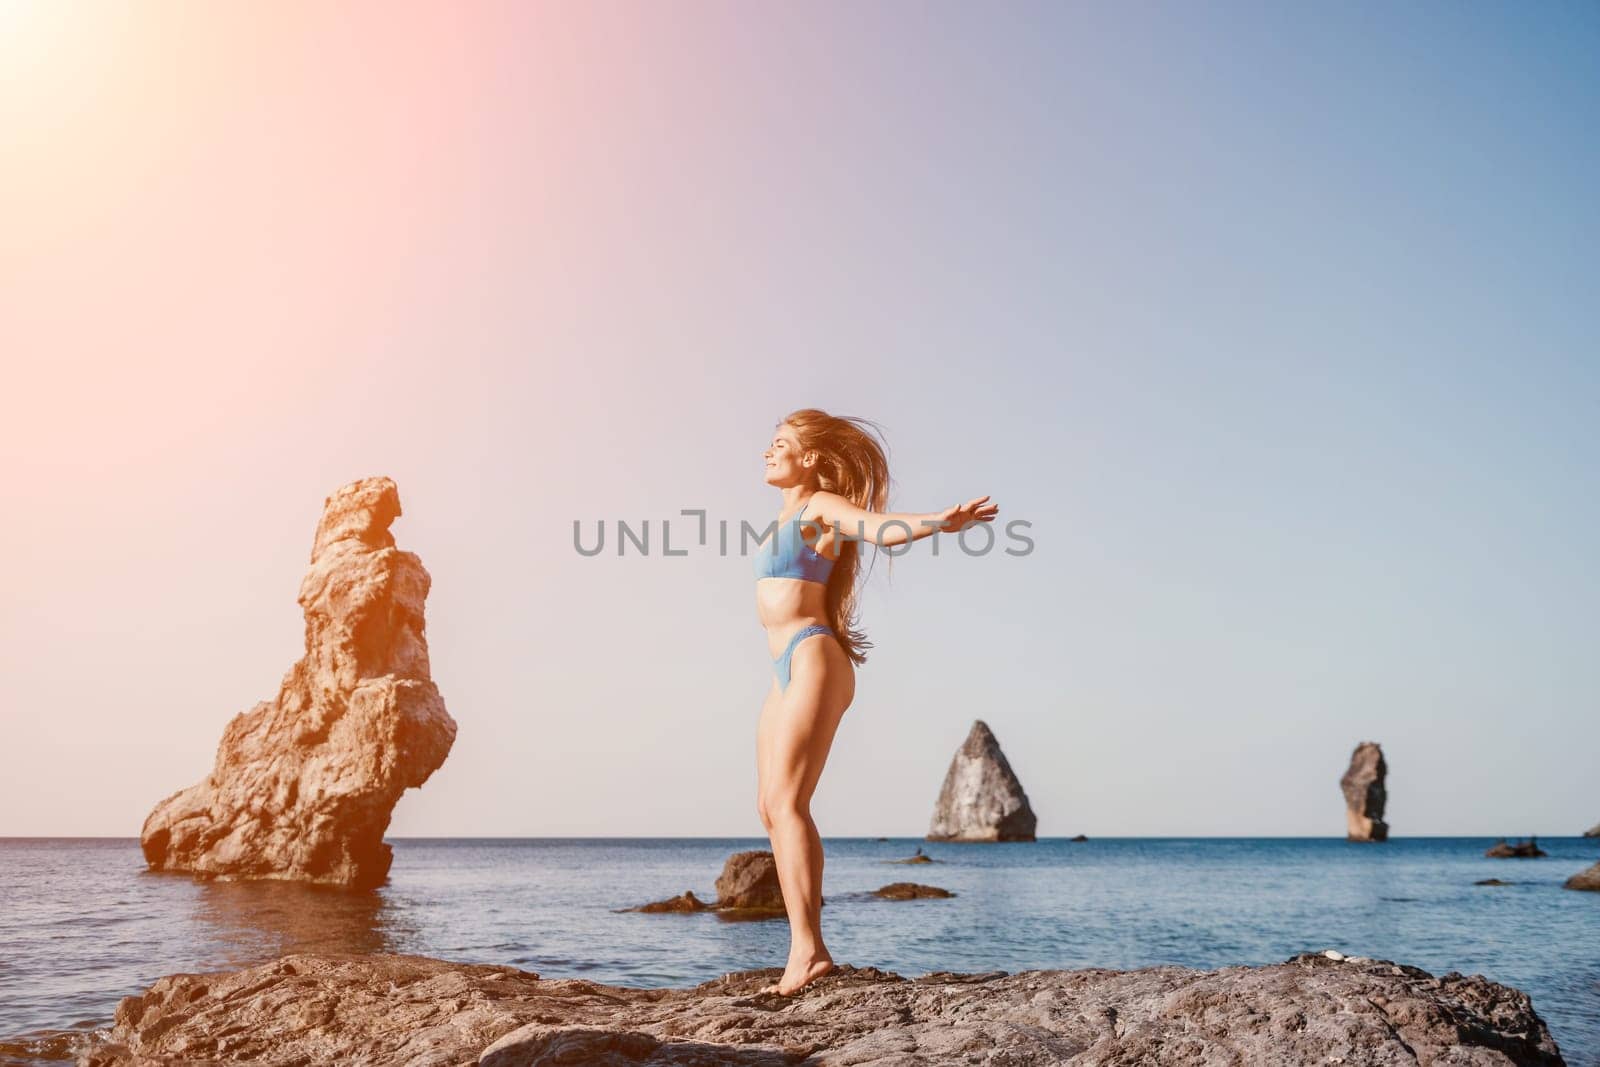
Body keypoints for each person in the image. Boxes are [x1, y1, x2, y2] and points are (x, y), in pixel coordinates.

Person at [752, 408, 998, 995]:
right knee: (770, 806)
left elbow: (878, 526)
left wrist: (939, 521)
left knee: (789, 803)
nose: (767, 451)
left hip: (813, 656)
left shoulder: (819, 507)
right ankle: (803, 948)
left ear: (808, 458)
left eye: (779, 443)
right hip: (783, 668)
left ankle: (807, 954)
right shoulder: (786, 514)